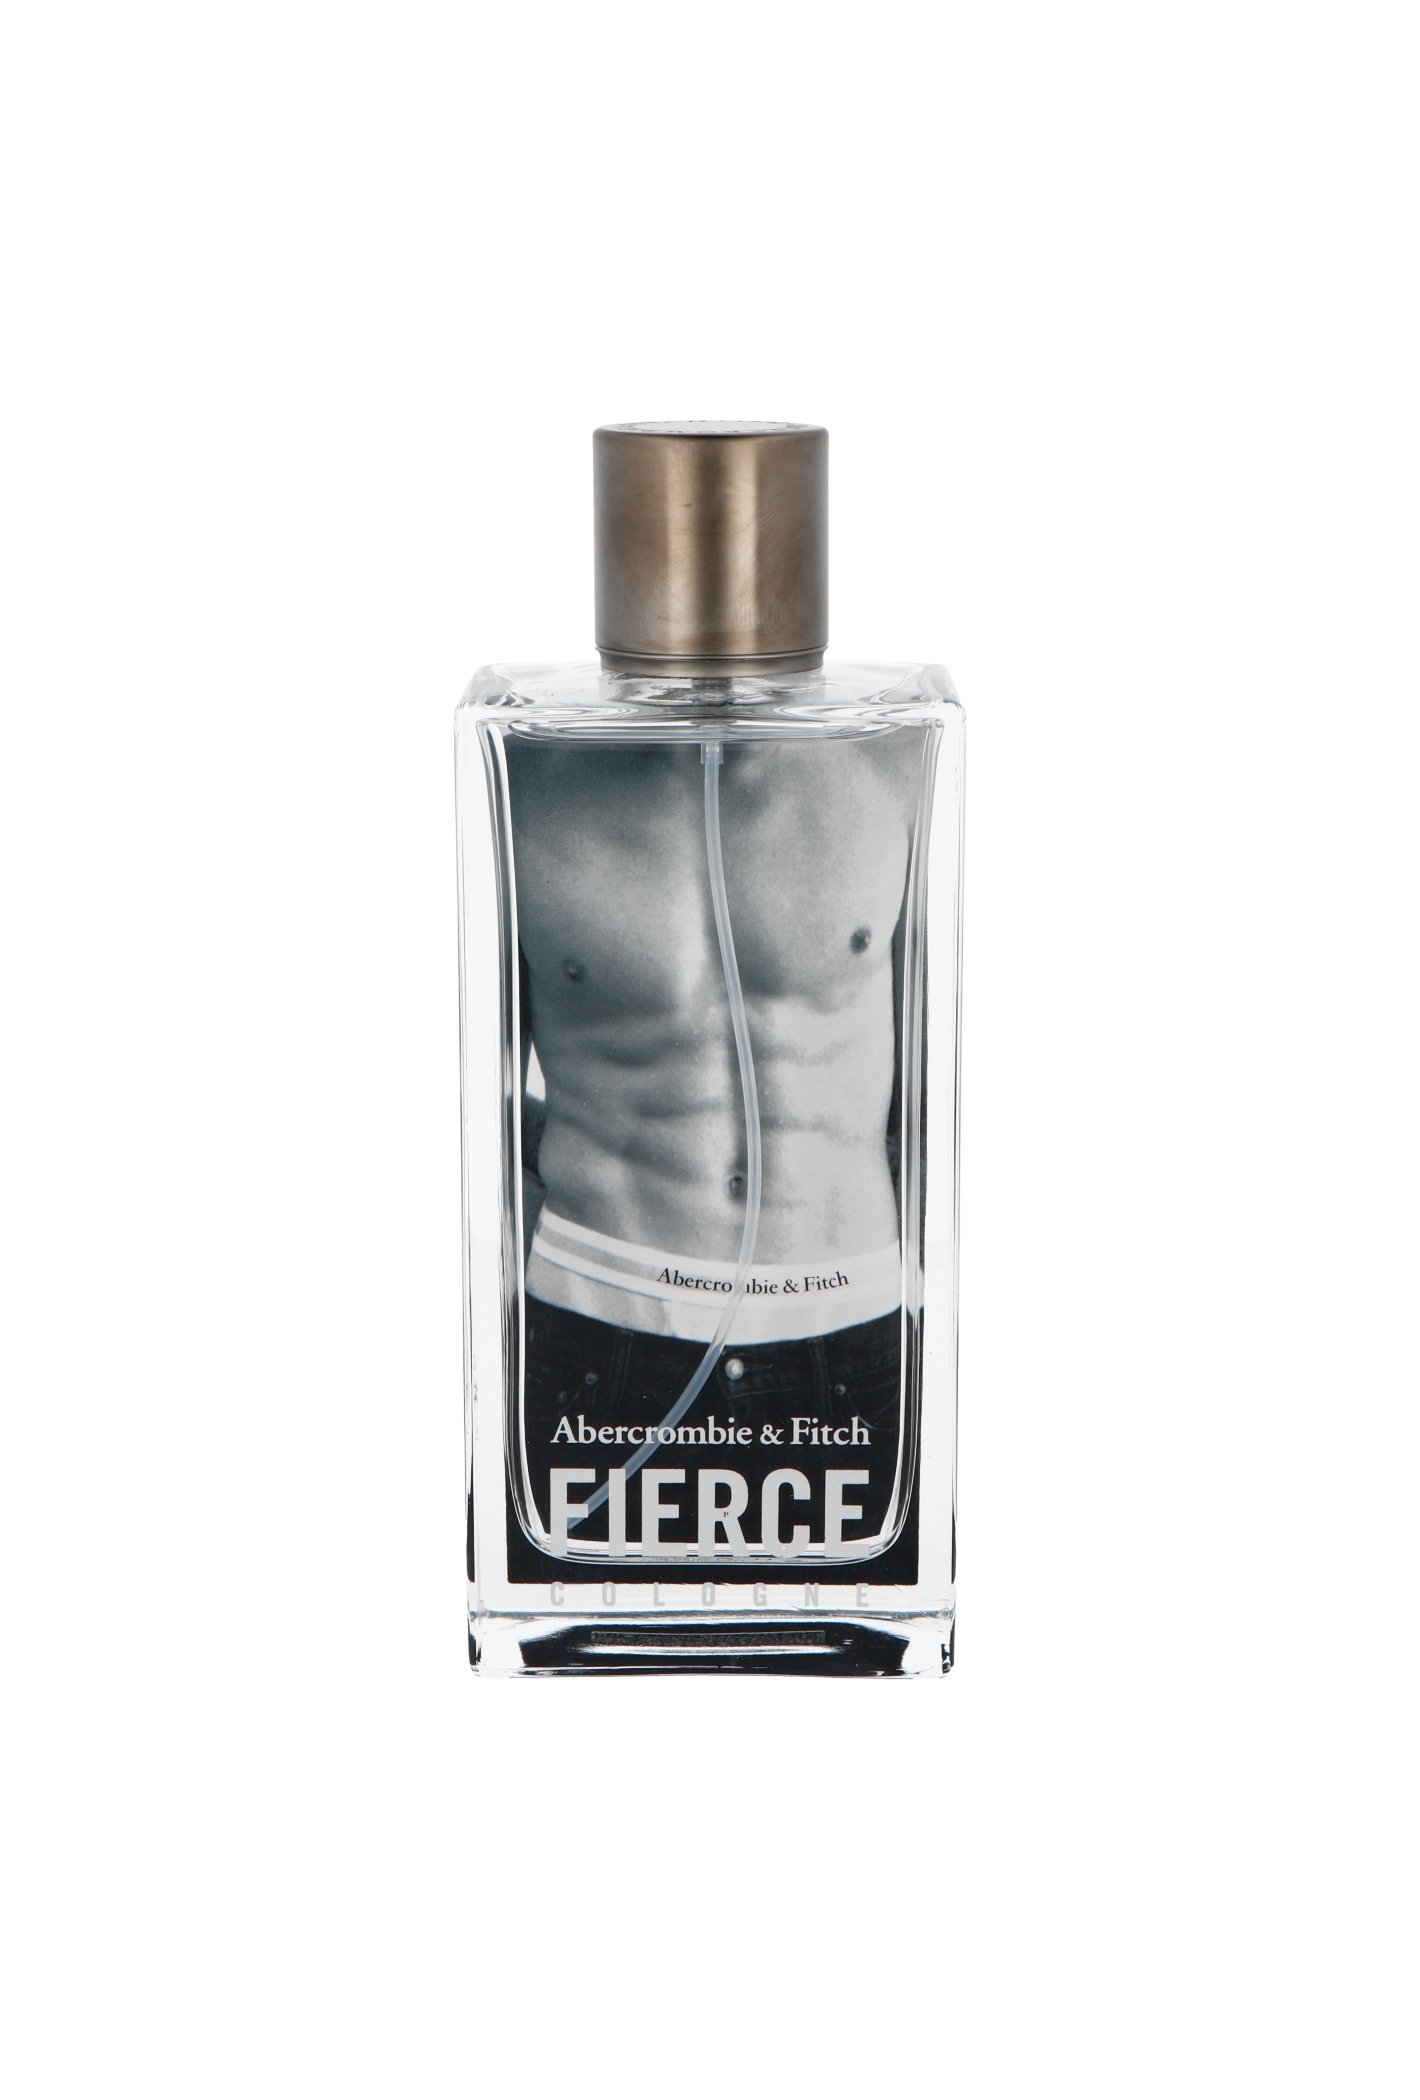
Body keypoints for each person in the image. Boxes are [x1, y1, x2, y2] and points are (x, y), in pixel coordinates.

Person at [507, 728, 923, 1559]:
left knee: (865, 1637)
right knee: (580, 1637)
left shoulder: (900, 759)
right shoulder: (520, 781)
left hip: (849, 1320)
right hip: (599, 1318)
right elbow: (461, 1098)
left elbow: (939, 1088)